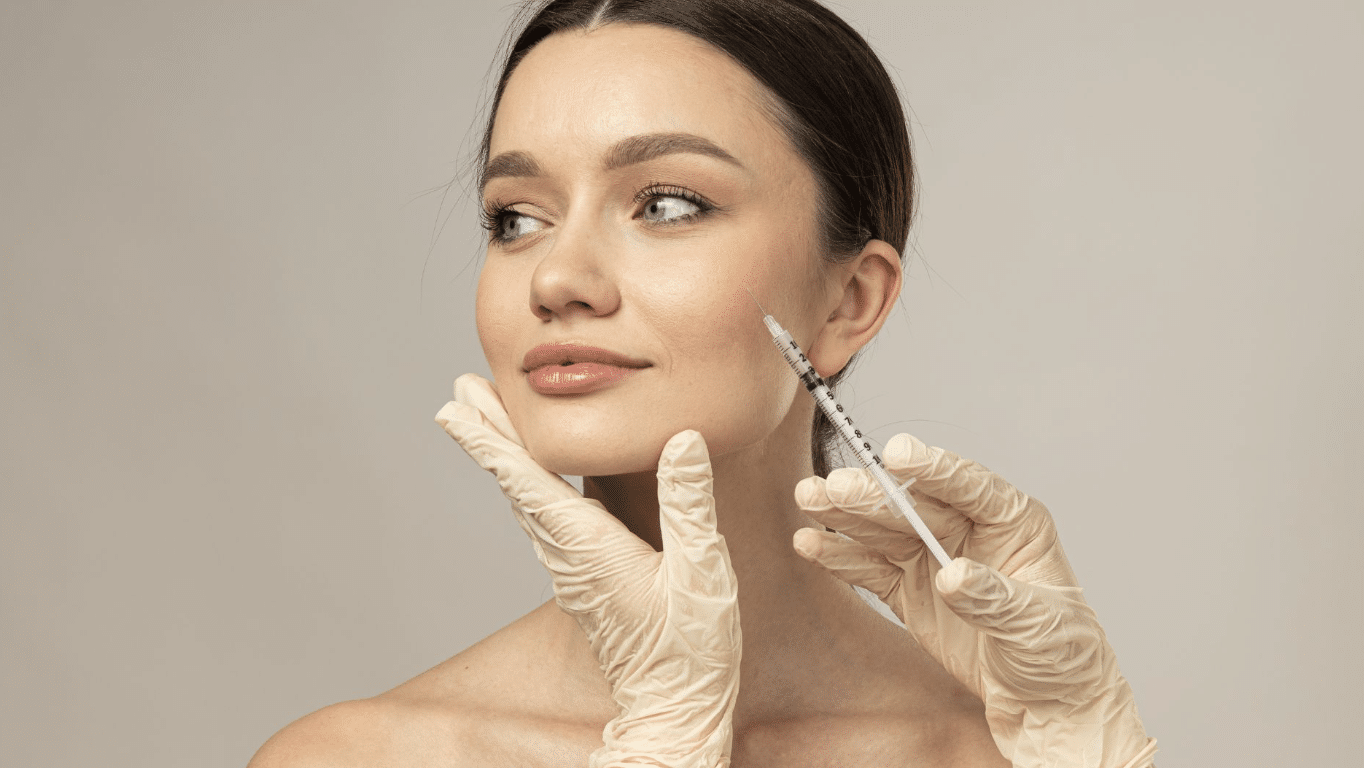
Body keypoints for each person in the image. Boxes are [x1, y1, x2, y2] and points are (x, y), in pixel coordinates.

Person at [249, 1, 1155, 765]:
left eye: (667, 205)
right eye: (515, 217)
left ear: (848, 300)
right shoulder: (358, 758)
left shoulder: (1001, 755)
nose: (556, 278)